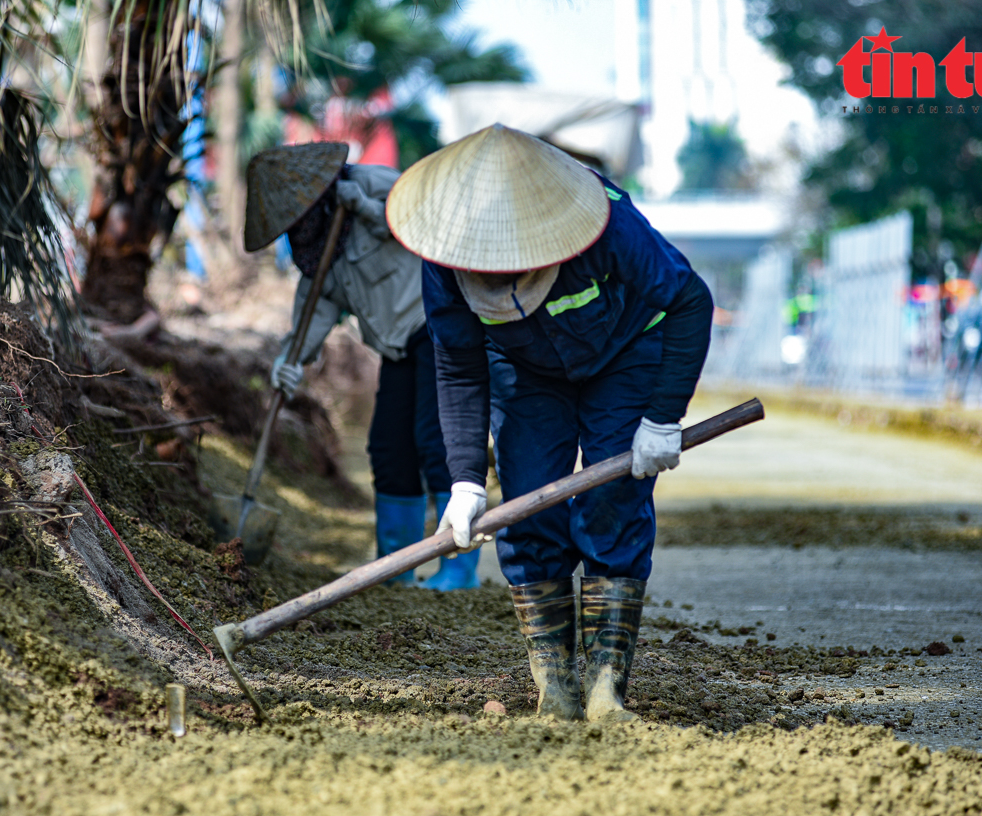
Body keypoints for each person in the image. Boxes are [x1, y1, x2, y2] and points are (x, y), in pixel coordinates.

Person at [384, 124, 714, 722]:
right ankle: (555, 687)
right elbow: (458, 365)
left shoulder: (606, 225)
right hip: (524, 368)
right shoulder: (442, 257)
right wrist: (464, 480)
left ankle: (606, 688)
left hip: (626, 351)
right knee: (529, 507)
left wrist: (663, 417)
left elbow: (690, 300)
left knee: (613, 498)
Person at [244, 142, 479, 590]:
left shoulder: (371, 182)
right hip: (395, 349)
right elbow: (308, 324)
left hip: (438, 326)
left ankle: (458, 567)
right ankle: (396, 569)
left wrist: (369, 210)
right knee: (389, 450)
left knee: (436, 441)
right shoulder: (314, 257)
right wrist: (287, 363)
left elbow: (426, 222)